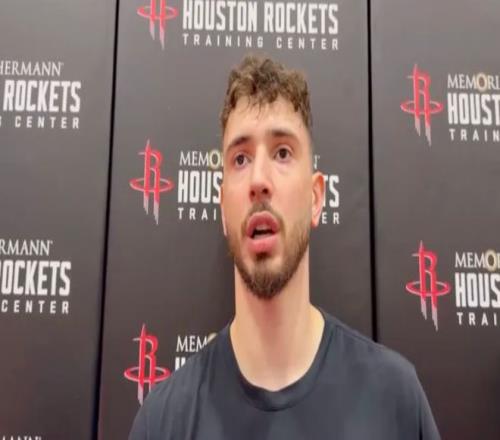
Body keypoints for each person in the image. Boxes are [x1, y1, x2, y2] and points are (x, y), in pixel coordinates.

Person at [129, 54, 440, 440]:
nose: (259, 180)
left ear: (316, 198)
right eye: (240, 159)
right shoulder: (162, 422)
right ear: (223, 207)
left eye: (282, 153)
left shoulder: (394, 400)